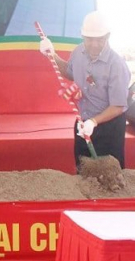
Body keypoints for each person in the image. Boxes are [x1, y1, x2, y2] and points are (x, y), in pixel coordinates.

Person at [40, 11, 130, 169]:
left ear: (107, 36)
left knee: (109, 175)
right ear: (82, 36)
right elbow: (69, 72)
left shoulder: (116, 65)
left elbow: (118, 106)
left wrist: (94, 122)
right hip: (83, 124)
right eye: (89, 39)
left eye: (99, 39)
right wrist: (52, 54)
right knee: (84, 170)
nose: (94, 44)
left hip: (108, 127)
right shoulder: (78, 52)